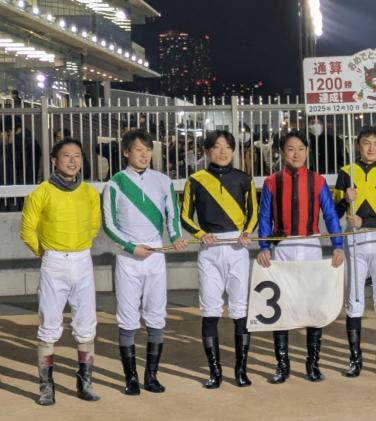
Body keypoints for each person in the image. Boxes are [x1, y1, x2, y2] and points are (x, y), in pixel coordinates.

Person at [101, 129, 188, 395]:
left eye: (148, 149)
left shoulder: (163, 181)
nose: (144, 154)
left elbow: (172, 215)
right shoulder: (115, 183)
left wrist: (176, 237)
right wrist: (130, 247)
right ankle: (131, 379)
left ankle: (151, 376)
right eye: (138, 149)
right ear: (126, 152)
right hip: (128, 259)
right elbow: (108, 223)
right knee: (128, 319)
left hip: (155, 259)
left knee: (156, 316)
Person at [257, 131, 345, 384]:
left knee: (313, 305)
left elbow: (330, 215)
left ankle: (312, 364)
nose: (296, 154)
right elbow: (265, 218)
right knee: (282, 305)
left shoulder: (317, 181)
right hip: (283, 246)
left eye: (301, 149)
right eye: (290, 149)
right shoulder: (272, 181)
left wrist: (337, 245)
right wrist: (264, 247)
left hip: (311, 245)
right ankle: (282, 365)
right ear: (282, 153)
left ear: (307, 151)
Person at [20, 138, 102, 406]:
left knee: (86, 324)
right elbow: (27, 229)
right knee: (48, 325)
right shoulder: (41, 192)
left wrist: (80, 247)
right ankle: (46, 387)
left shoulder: (90, 193)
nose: (72, 161)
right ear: (54, 160)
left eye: (77, 156)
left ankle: (85, 382)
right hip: (53, 261)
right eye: (66, 156)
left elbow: (93, 225)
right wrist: (44, 252)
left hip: (82, 260)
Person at [180, 130, 258, 388]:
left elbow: (253, 213)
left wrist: (247, 232)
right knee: (211, 310)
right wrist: (201, 234)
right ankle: (215, 372)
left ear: (234, 150)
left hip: (238, 246)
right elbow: (185, 216)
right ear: (207, 151)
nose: (222, 151)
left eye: (227, 146)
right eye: (216, 146)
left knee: (240, 310)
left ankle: (240, 370)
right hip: (210, 248)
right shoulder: (195, 179)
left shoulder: (244, 179)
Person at [334, 125, 376, 377]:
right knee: (355, 300)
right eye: (366, 143)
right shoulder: (346, 172)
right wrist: (345, 199)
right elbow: (335, 212)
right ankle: (355, 359)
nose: (371, 148)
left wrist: (368, 223)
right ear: (357, 145)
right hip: (354, 241)